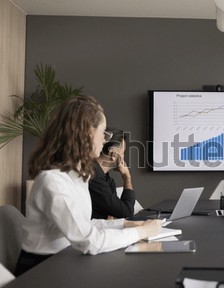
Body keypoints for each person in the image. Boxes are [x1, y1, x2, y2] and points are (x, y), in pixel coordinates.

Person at [15, 96, 163, 276]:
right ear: (87, 134)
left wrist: (125, 224)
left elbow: (84, 225)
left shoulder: (77, 177)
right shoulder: (52, 182)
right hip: (41, 270)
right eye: (103, 133)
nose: (104, 141)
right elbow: (88, 240)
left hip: (63, 258)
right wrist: (141, 232)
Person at [89, 128, 136, 220]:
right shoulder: (95, 178)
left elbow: (115, 211)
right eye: (122, 153)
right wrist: (127, 177)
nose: (123, 157)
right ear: (113, 154)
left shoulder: (104, 177)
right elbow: (126, 212)